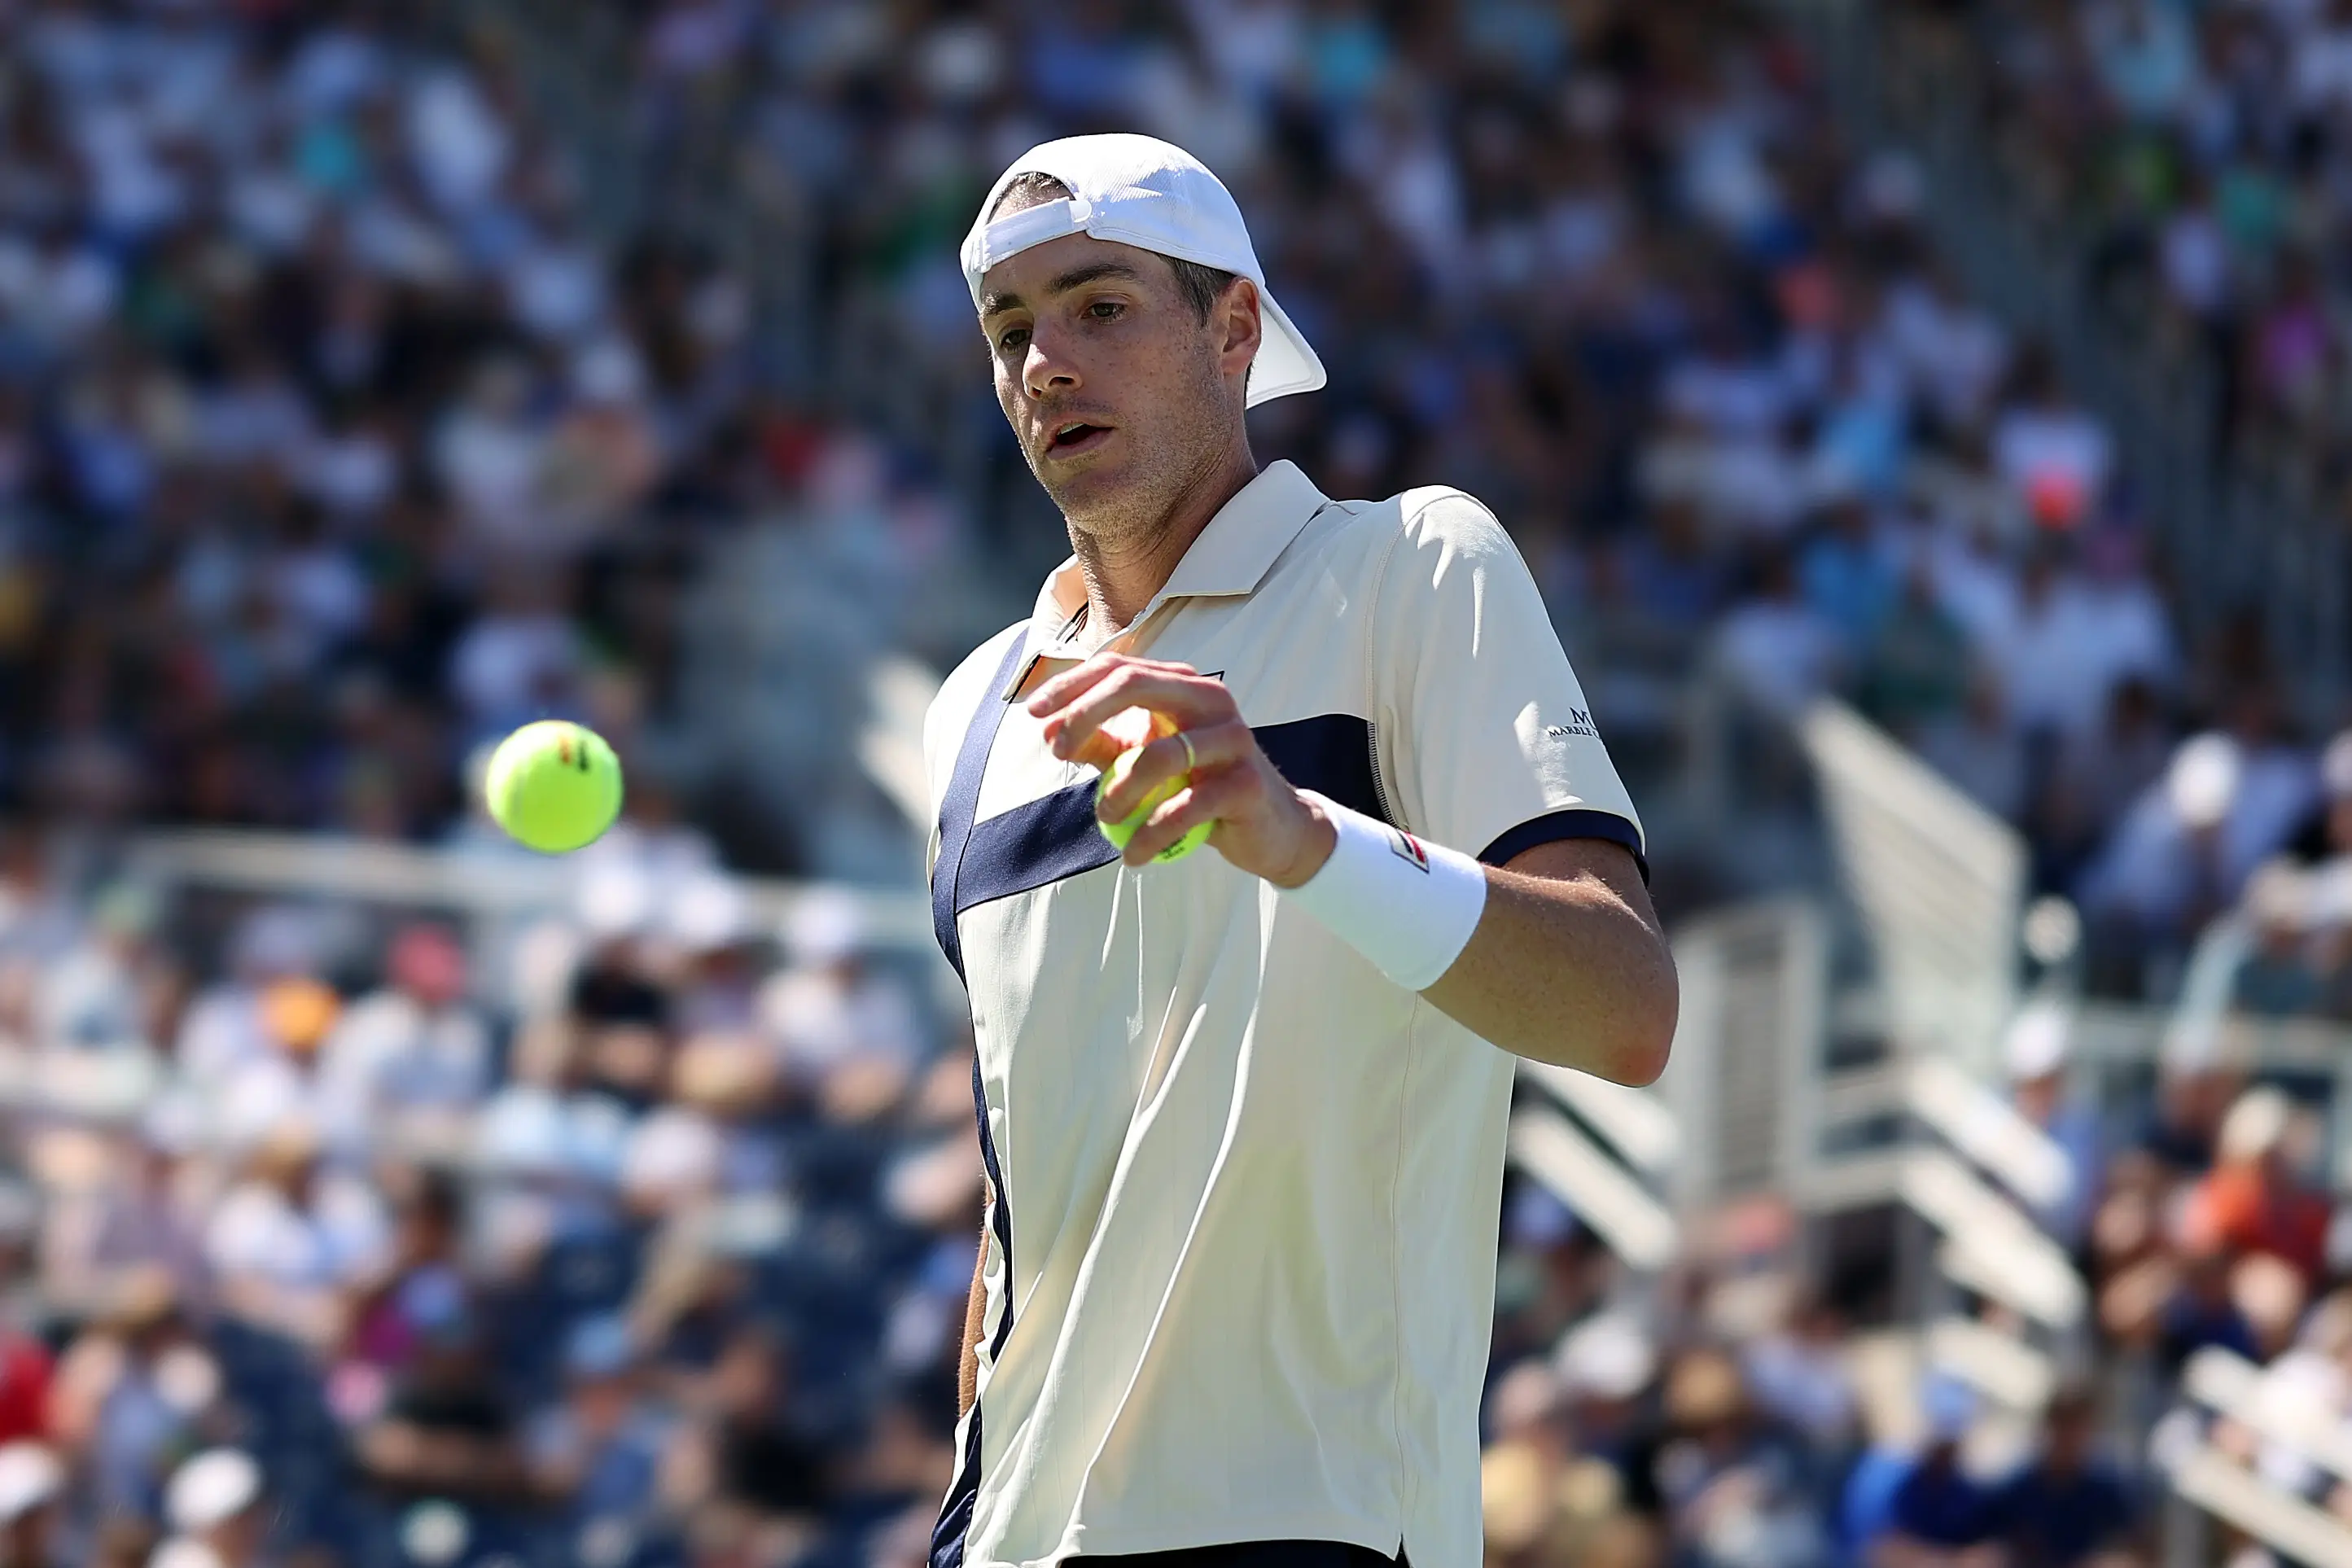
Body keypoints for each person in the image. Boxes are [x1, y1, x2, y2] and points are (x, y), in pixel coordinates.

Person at [926, 134, 1675, 1566]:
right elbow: (1019, 1196)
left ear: (1234, 330)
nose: (1045, 364)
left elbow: (1622, 1008)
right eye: (1009, 330)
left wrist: (1307, 835)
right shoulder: (971, 710)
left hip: (1313, 1528)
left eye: (1099, 306)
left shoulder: (1418, 566)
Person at [1987, 1386, 2135, 1568]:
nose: (2069, 1438)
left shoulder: (2106, 1487)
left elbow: (2136, 1549)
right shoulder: (2018, 1486)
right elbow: (1985, 1542)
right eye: (2063, 1426)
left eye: (2077, 1428)